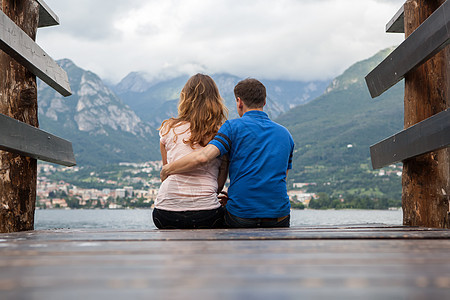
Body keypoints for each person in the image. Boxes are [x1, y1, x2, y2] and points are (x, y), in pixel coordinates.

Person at [161, 78, 294, 228]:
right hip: (279, 215)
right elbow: (281, 176)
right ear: (264, 102)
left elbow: (204, 156)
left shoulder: (231, 127)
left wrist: (168, 169)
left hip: (241, 214)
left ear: (239, 102)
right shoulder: (285, 134)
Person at [153, 74, 229, 229]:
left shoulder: (167, 129)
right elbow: (219, 183)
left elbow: (166, 173)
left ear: (185, 98)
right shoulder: (221, 134)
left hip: (164, 213)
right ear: (215, 100)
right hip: (206, 214)